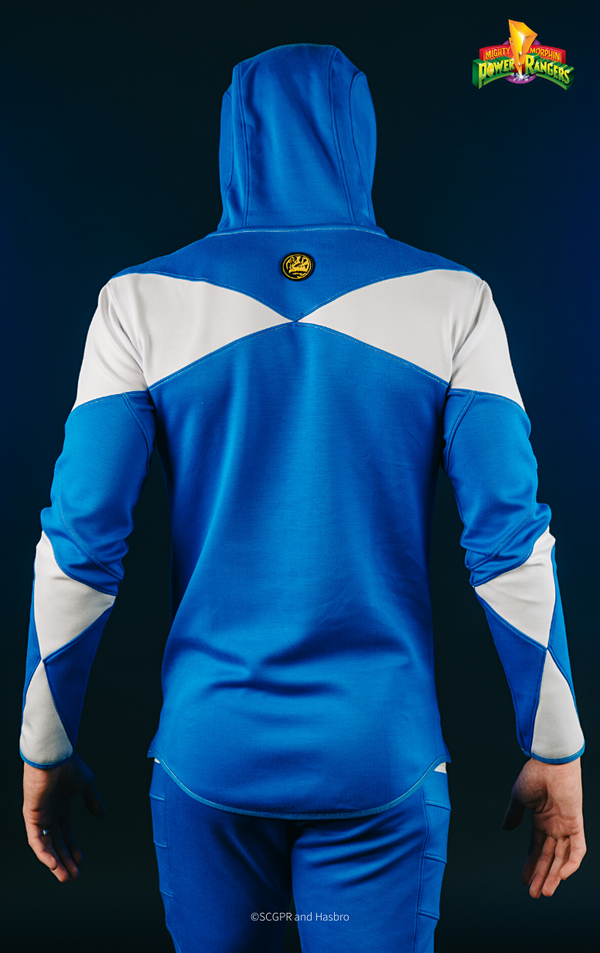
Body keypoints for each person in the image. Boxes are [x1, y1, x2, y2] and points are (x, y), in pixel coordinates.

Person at [21, 43, 585, 953]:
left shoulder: (139, 301)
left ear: (235, 136)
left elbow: (80, 548)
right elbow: (510, 544)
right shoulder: (454, 300)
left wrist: (44, 744)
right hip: (383, 748)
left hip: (208, 745)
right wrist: (556, 745)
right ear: (358, 135)